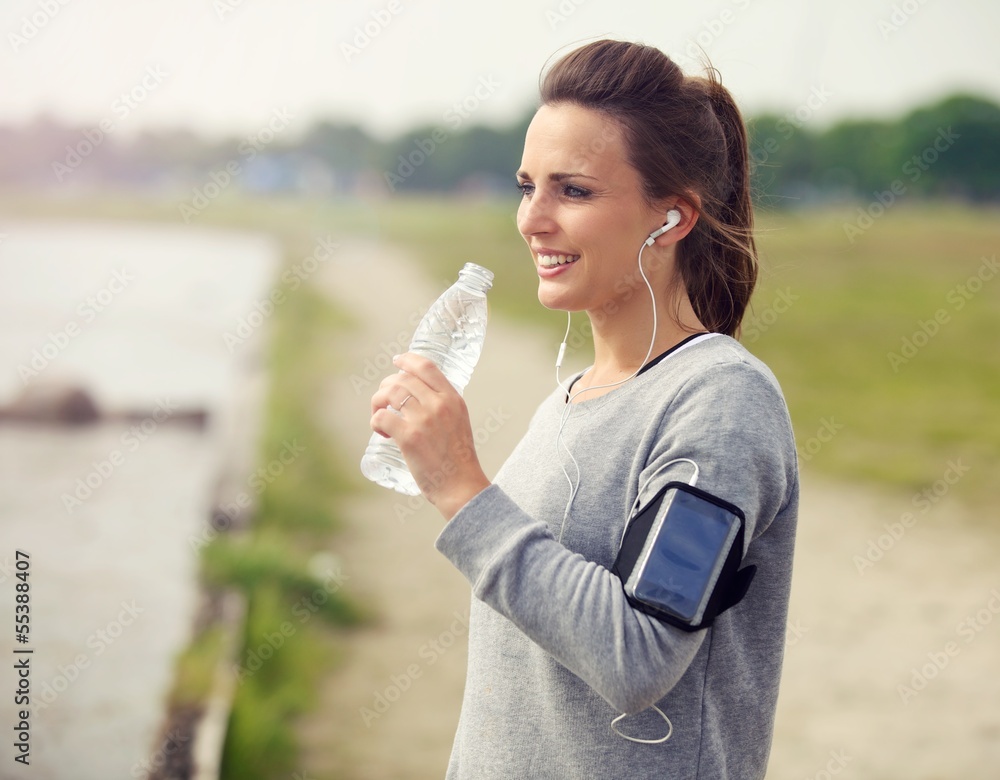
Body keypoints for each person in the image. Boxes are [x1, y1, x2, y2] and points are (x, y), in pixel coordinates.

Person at [369, 38, 798, 780]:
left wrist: (461, 488)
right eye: (525, 185)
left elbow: (639, 657)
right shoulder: (571, 397)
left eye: (573, 191)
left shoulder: (722, 402)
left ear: (673, 218)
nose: (531, 220)